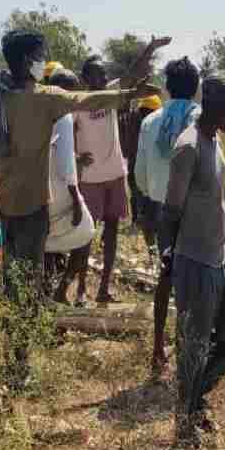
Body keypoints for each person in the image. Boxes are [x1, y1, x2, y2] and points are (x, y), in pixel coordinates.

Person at [0, 29, 160, 385]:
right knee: (28, 285)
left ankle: (12, 352)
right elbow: (90, 99)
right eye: (39, 54)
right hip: (33, 208)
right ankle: (19, 364)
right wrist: (128, 94)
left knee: (13, 281)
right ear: (27, 60)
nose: (41, 60)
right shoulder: (45, 98)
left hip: (7, 205)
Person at [162, 74, 225, 447]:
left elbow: (221, 188)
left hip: (221, 257)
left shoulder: (214, 141)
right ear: (215, 105)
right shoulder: (188, 148)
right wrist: (168, 257)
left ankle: (196, 397)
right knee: (193, 346)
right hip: (196, 260)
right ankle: (185, 418)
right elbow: (169, 211)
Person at [135, 56, 202, 377]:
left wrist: (154, 200)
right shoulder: (201, 119)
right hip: (196, 210)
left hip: (163, 209)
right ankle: (190, 350)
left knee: (166, 277)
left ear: (168, 86)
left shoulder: (151, 123)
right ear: (196, 87)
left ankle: (158, 348)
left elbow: (141, 177)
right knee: (197, 280)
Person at [63, 54, 143, 306]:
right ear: (87, 79)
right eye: (100, 74)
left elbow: (132, 72)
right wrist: (75, 156)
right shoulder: (79, 103)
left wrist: (150, 48)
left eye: (106, 74)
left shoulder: (110, 94)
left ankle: (104, 288)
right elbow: (64, 133)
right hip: (90, 180)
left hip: (115, 175)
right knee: (86, 236)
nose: (105, 77)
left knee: (112, 235)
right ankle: (80, 290)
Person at [41, 67, 92, 295]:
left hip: (38, 187)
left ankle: (44, 291)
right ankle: (61, 290)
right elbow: (64, 161)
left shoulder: (37, 110)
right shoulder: (64, 116)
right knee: (85, 235)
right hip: (61, 189)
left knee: (46, 240)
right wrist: (76, 199)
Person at [123, 94, 159, 239]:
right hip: (146, 166)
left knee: (136, 194)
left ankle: (137, 219)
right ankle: (144, 220)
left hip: (133, 164)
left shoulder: (133, 119)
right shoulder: (152, 124)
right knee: (147, 195)